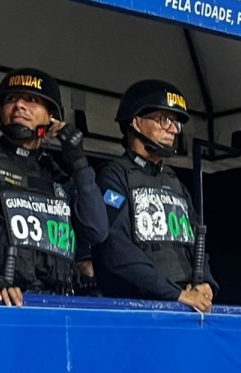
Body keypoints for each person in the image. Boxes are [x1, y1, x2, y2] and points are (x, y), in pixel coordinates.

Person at [0, 68, 108, 306]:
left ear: (52, 117)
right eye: (11, 99)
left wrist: (79, 163)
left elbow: (97, 231)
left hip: (57, 307)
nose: (19, 105)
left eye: (32, 100)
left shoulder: (58, 174)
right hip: (1, 303)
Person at [92, 79, 218, 313]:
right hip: (139, 309)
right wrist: (174, 293)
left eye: (176, 123)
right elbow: (116, 248)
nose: (173, 130)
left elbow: (196, 241)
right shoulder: (114, 176)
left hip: (185, 305)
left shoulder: (174, 182)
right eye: (164, 120)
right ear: (136, 122)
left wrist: (206, 283)